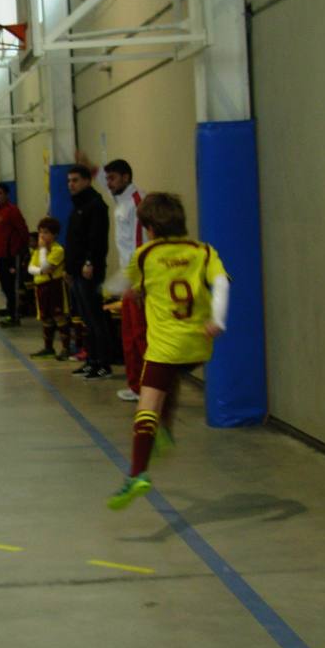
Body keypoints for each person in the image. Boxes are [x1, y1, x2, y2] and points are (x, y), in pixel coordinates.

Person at [106, 193, 229, 510]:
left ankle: (137, 473)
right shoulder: (203, 250)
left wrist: (117, 290)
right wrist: (217, 319)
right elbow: (222, 284)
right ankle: (166, 430)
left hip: (165, 346)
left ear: (149, 227)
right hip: (200, 345)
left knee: (147, 402)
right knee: (169, 375)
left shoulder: (146, 254)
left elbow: (120, 285)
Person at [81, 153, 147, 402]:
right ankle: (135, 385)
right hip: (126, 280)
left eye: (113, 178)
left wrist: (137, 283)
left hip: (137, 282)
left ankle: (146, 387)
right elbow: (106, 189)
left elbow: (141, 245)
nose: (108, 183)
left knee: (140, 336)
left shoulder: (138, 202)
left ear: (126, 177)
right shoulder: (121, 199)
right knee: (128, 336)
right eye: (106, 178)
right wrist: (94, 169)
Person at [64, 166, 114, 380]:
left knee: (95, 318)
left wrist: (90, 262)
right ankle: (91, 360)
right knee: (85, 318)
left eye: (75, 180)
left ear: (87, 181)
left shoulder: (95, 205)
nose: (71, 185)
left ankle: (103, 363)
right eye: (69, 181)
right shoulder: (78, 206)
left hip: (89, 271)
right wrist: (69, 268)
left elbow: (96, 239)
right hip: (76, 271)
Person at [26, 218, 70, 360]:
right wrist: (41, 271)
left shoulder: (58, 250)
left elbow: (47, 267)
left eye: (46, 233)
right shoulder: (38, 252)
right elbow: (31, 268)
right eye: (40, 233)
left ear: (54, 234)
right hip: (41, 286)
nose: (42, 236)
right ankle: (48, 348)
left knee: (59, 316)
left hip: (54, 286)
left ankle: (66, 348)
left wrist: (44, 250)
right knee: (46, 317)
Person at [0, 183, 30, 327]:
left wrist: (21, 251)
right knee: (4, 285)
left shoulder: (12, 211)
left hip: (11, 256)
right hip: (0, 256)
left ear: (7, 195)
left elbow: (23, 230)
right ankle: (10, 309)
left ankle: (15, 316)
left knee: (11, 286)